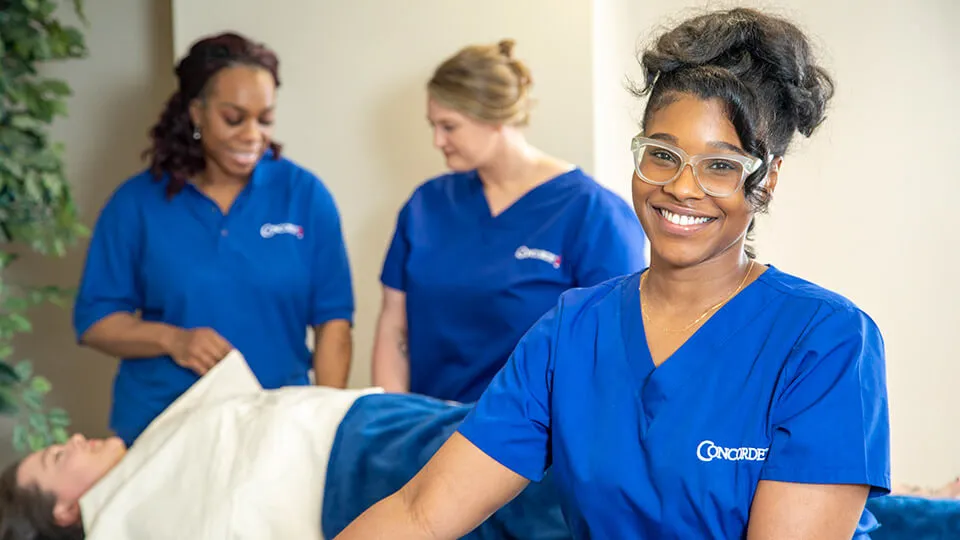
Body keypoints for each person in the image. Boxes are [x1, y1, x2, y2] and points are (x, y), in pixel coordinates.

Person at [334, 8, 891, 539]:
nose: (682, 186)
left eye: (721, 165)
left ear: (766, 180)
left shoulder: (824, 339)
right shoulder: (572, 331)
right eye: (662, 154)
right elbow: (422, 513)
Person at [73, 32, 354, 446]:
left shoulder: (304, 196)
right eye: (234, 118)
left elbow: (334, 323)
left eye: (265, 119)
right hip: (160, 431)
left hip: (276, 430)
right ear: (196, 113)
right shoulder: (136, 203)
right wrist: (173, 339)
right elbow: (95, 321)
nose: (253, 135)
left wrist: (328, 426)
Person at [0, 352, 570, 540]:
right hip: (343, 476)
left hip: (351, 421)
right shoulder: (122, 518)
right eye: (56, 458)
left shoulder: (146, 460)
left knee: (523, 440)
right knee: (534, 487)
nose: (71, 439)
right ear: (66, 509)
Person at [373, 39, 647, 403]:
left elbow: (613, 352)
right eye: (433, 126)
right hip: (424, 430)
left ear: (494, 118)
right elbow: (394, 327)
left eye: (449, 126)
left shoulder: (593, 213)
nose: (437, 141)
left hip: (532, 443)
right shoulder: (427, 204)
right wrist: (393, 416)